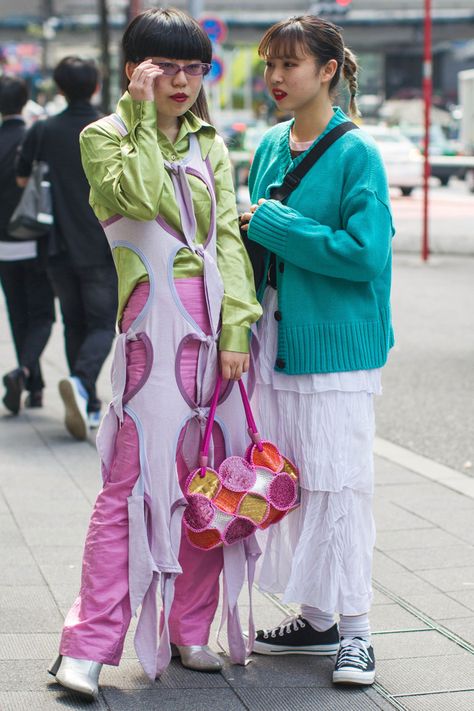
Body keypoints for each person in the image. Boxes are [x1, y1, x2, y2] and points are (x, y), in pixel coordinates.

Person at [47, 8, 262, 700]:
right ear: (135, 68)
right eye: (164, 67)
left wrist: (237, 329)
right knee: (129, 490)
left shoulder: (211, 142)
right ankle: (88, 645)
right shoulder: (103, 136)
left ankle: (189, 627)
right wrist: (142, 118)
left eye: (193, 68)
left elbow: (226, 237)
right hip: (149, 337)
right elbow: (135, 200)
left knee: (209, 484)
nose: (180, 81)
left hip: (216, 344)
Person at [240, 15, 394, 687]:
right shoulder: (271, 145)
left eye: (290, 65)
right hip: (277, 337)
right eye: (270, 65)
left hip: (336, 346)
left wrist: (270, 221)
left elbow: (365, 255)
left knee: (341, 484)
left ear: (327, 70)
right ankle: (316, 616)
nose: (275, 78)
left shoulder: (358, 152)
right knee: (295, 483)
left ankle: (356, 630)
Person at [16, 57, 117, 439]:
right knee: (103, 323)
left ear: (59, 88)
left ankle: (87, 400)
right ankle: (81, 382)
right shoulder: (109, 128)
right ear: (94, 86)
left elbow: (23, 176)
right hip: (100, 243)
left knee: (74, 323)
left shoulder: (43, 130)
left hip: (55, 245)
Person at [0, 75, 55, 414]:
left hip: (2, 246)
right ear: (24, 101)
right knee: (43, 315)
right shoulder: (31, 137)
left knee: (18, 314)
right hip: (33, 239)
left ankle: (33, 386)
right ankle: (24, 371)